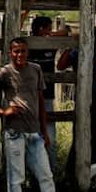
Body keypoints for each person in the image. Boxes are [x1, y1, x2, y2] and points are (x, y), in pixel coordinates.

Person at [0, 37, 60, 192]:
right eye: (16, 51)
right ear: (10, 53)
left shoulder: (35, 70)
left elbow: (40, 100)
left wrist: (44, 131)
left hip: (35, 131)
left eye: (23, 51)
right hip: (14, 131)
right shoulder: (4, 73)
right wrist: (1, 111)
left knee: (45, 174)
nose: (19, 55)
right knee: (16, 177)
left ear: (27, 52)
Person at [60, 26, 96, 177]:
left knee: (88, 137)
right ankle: (77, 173)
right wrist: (71, 45)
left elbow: (61, 65)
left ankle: (81, 174)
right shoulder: (82, 50)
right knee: (85, 137)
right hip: (89, 98)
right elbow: (61, 65)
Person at [28, 16, 66, 173]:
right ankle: (34, 172)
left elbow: (66, 32)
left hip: (47, 96)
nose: (51, 32)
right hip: (29, 98)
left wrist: (50, 36)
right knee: (31, 136)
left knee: (50, 137)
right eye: (48, 29)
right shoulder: (29, 45)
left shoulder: (51, 45)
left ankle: (51, 171)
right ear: (40, 29)